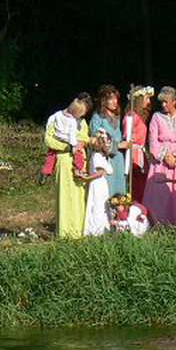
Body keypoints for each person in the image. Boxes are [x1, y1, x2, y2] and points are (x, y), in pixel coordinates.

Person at [145, 86, 176, 226]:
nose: (163, 105)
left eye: (166, 101)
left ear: (174, 101)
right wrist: (165, 156)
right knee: (160, 193)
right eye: (161, 102)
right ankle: (158, 223)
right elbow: (153, 140)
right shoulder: (156, 117)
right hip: (161, 162)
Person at [44, 94, 91, 238]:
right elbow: (48, 139)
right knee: (64, 194)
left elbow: (84, 137)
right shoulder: (56, 119)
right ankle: (65, 231)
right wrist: (67, 147)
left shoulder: (81, 122)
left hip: (79, 160)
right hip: (63, 159)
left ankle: (78, 230)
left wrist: (81, 143)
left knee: (79, 194)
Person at [89, 85, 129, 197]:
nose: (114, 102)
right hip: (106, 161)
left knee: (120, 192)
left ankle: (120, 213)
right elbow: (95, 142)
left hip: (119, 160)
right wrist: (117, 145)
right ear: (104, 101)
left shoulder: (117, 117)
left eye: (115, 98)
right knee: (107, 190)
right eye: (110, 99)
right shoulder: (97, 118)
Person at [123, 85, 153, 203]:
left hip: (140, 153)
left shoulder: (139, 117)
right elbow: (127, 136)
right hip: (134, 155)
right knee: (136, 184)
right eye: (146, 98)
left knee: (142, 184)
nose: (149, 101)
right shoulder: (131, 116)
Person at [83, 131, 115, 236]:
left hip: (97, 183)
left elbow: (100, 173)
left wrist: (87, 177)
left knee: (96, 204)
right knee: (99, 203)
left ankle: (96, 228)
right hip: (100, 184)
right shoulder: (100, 155)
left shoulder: (97, 155)